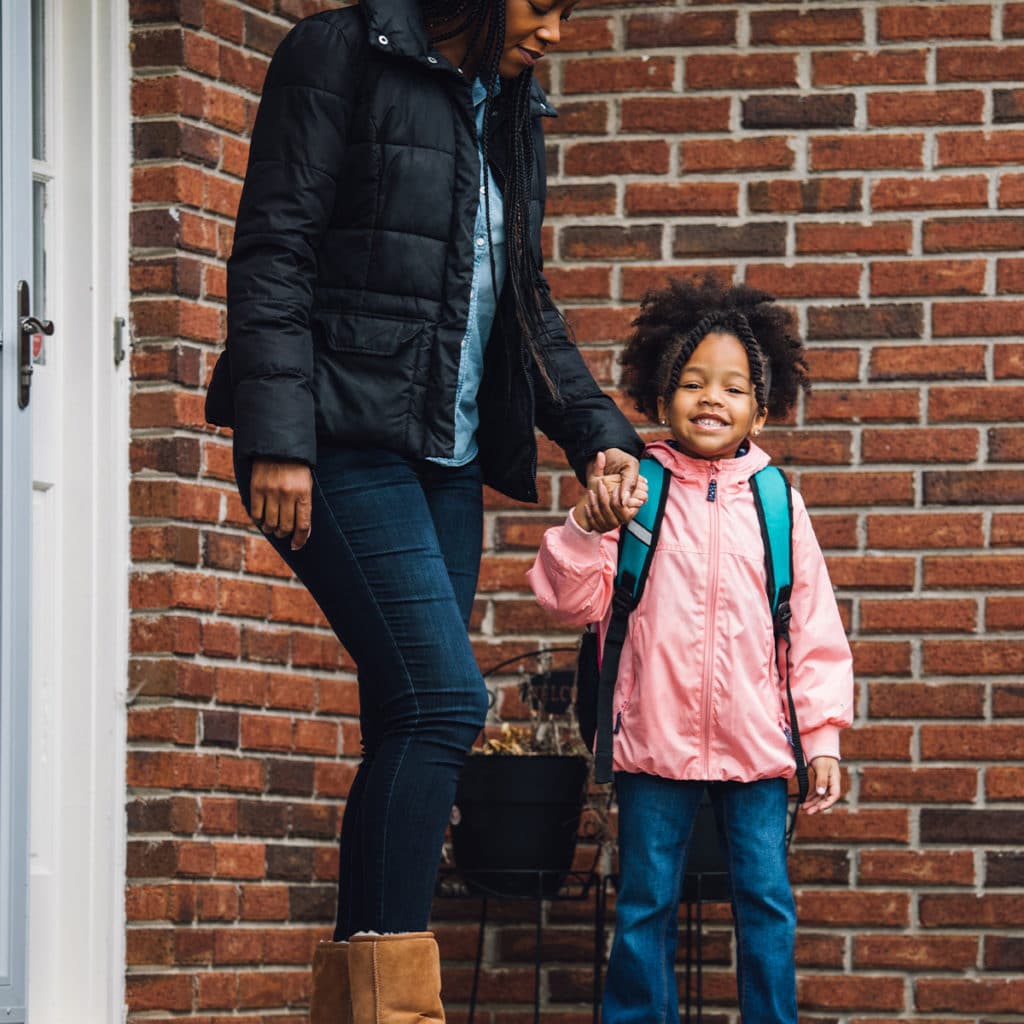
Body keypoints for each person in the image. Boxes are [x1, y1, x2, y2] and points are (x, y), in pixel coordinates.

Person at [203, 1, 644, 1020]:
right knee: (447, 702)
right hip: (339, 439)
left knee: (410, 717)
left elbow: (520, 297)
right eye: (542, 5)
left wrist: (597, 433)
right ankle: (396, 1009)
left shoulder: (509, 103)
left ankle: (358, 1002)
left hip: (441, 459)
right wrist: (278, 435)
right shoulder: (338, 53)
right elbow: (276, 251)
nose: (558, 31)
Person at [527, 277, 854, 1024]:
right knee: (645, 905)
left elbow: (813, 628)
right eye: (693, 381)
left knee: (766, 905)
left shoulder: (777, 501)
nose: (713, 398)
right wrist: (582, 526)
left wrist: (823, 736)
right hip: (652, 743)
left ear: (760, 409)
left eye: (734, 387)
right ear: (660, 394)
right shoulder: (635, 487)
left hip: (760, 746)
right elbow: (567, 599)